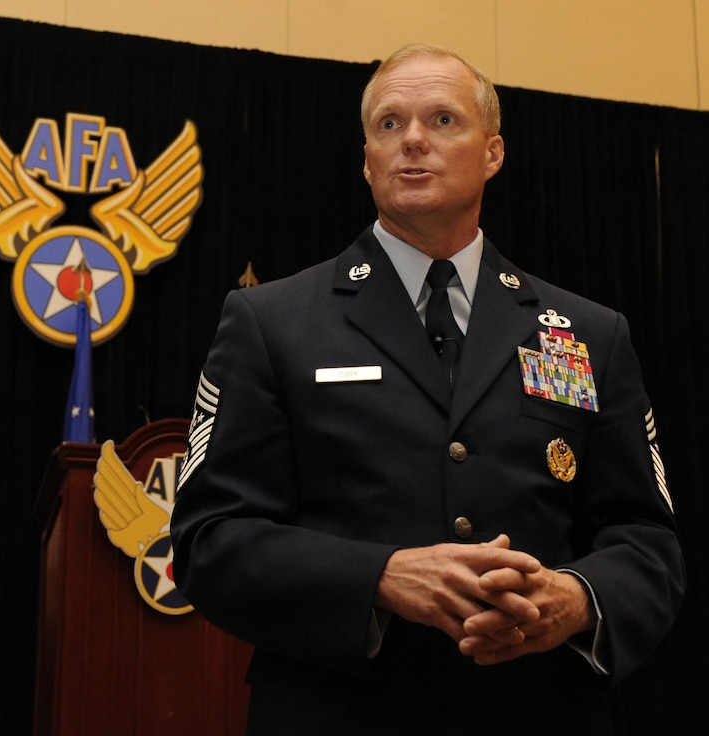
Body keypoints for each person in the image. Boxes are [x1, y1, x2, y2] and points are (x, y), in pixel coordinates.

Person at [170, 43, 685, 735]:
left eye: (443, 120)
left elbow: (647, 542)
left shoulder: (591, 333)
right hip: (340, 711)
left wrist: (577, 597)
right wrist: (378, 577)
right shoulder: (272, 323)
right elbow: (210, 542)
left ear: (493, 153)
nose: (412, 139)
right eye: (389, 124)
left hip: (536, 710)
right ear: (366, 160)